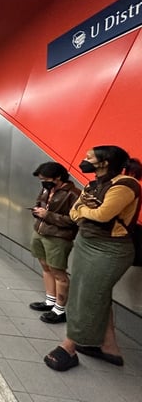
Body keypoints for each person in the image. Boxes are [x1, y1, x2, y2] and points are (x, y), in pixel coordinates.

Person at [44, 145, 141, 372]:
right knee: (97, 294)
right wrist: (85, 212)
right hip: (87, 243)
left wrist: (84, 211)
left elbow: (103, 214)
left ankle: (69, 347)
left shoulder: (126, 184)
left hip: (111, 249)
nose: (84, 160)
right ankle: (109, 347)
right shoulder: (92, 184)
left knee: (87, 296)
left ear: (104, 162)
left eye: (89, 157)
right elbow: (73, 212)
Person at [28, 162, 81, 324]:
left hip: (58, 237)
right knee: (45, 267)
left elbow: (75, 220)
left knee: (58, 273)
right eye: (41, 180)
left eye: (45, 179)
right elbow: (41, 204)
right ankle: (50, 300)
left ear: (58, 177)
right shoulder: (47, 189)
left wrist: (48, 215)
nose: (43, 183)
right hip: (40, 231)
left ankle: (59, 309)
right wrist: (37, 211)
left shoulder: (73, 194)